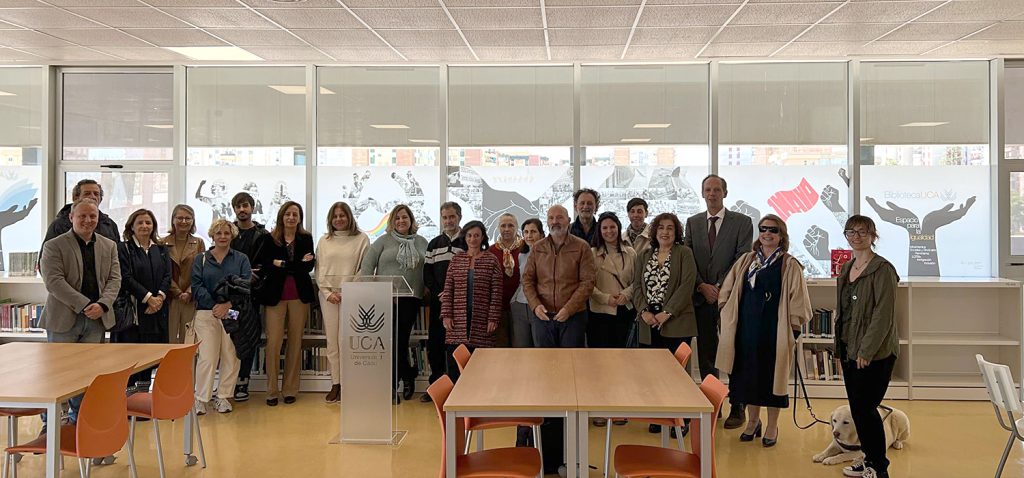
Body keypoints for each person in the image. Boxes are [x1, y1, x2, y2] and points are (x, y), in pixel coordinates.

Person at [716, 214, 811, 448]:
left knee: (771, 378)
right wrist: (724, 310)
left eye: (773, 230)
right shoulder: (748, 260)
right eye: (763, 229)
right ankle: (753, 422)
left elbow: (798, 299)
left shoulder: (789, 264)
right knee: (748, 377)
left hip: (773, 329)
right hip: (746, 329)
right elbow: (727, 288)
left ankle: (771, 425)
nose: (767, 234)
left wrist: (794, 329)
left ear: (782, 236)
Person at [39, 198, 120, 429]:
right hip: (63, 319)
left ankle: (81, 423)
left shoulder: (108, 245)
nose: (87, 220)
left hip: (96, 320)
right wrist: (85, 304)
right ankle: (52, 424)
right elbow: (53, 282)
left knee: (88, 375)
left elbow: (115, 279)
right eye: (82, 216)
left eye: (92, 216)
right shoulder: (54, 245)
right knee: (59, 375)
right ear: (71, 218)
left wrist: (103, 305)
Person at [683, 174, 754, 429]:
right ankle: (713, 405)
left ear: (725, 192)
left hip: (730, 299)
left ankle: (738, 405)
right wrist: (702, 286)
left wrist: (719, 287)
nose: (712, 194)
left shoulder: (742, 222)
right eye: (707, 190)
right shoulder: (692, 223)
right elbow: (687, 258)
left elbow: (742, 257)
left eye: (716, 190)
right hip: (701, 299)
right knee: (706, 354)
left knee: (734, 352)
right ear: (702, 194)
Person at [835, 215, 899, 478]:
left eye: (862, 231)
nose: (856, 236)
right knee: (858, 409)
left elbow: (883, 315)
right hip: (850, 349)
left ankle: (879, 467)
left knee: (866, 409)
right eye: (851, 231)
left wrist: (866, 350)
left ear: (873, 235)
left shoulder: (883, 269)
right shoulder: (846, 267)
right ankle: (868, 457)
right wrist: (842, 349)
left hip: (874, 353)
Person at [632, 212, 697, 435]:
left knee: (677, 373)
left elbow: (687, 286)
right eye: (661, 228)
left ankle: (682, 418)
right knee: (652, 374)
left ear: (676, 232)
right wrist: (643, 312)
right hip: (648, 322)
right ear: (654, 231)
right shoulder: (644, 255)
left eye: (670, 228)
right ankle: (659, 415)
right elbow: (637, 287)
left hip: (676, 321)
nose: (665, 232)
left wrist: (667, 312)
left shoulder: (684, 253)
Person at [360, 204, 428, 403]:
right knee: (388, 342)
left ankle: (397, 382)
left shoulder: (422, 242)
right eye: (397, 218)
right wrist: (372, 289)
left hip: (410, 298)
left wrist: (427, 286)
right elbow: (366, 267)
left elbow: (428, 267)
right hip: (385, 298)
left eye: (404, 217)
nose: (401, 221)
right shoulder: (382, 241)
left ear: (411, 220)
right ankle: (404, 378)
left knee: (400, 340)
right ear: (392, 221)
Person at [253, 201, 316, 406]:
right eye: (287, 214)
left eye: (295, 214)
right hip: (275, 297)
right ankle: (272, 390)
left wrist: (282, 264)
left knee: (295, 343)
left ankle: (290, 389)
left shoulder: (305, 238)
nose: (291, 217)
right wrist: (294, 264)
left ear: (299, 218)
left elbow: (308, 267)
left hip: (299, 296)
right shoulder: (269, 239)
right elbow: (266, 267)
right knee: (273, 343)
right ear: (281, 216)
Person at [191, 219, 252, 415]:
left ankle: (224, 396)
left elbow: (246, 285)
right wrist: (214, 306)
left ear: (231, 235)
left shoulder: (241, 259)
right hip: (205, 313)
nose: (223, 237)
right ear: (212, 235)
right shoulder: (200, 259)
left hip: (233, 312)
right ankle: (200, 399)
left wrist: (227, 306)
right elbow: (196, 286)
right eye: (219, 233)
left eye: (226, 233)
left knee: (231, 355)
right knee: (207, 357)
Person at [314, 201, 369, 403]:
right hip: (328, 296)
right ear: (330, 219)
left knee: (347, 342)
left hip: (351, 295)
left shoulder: (361, 239)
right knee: (332, 342)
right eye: (335, 216)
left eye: (342, 215)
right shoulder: (324, 240)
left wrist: (347, 290)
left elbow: (364, 268)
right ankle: (335, 383)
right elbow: (319, 269)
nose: (339, 219)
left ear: (349, 217)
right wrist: (328, 292)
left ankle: (348, 384)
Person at [115, 208, 172, 392]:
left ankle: (143, 401)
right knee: (130, 357)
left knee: (148, 357)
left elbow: (167, 276)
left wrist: (159, 299)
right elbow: (126, 277)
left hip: (156, 312)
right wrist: (148, 299)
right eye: (140, 222)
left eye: (148, 222)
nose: (144, 226)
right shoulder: (123, 248)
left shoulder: (161, 249)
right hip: (134, 312)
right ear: (131, 226)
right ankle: (129, 402)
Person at [440, 221, 504, 382]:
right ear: (465, 237)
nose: (473, 239)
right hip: (457, 321)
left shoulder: (491, 260)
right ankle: (455, 401)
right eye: (469, 235)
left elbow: (497, 292)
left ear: (483, 237)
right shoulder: (457, 259)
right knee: (455, 365)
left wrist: (493, 318)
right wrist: (446, 315)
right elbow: (448, 288)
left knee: (481, 367)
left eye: (476, 235)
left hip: (483, 321)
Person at [523, 204, 595, 348]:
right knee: (544, 362)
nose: (555, 221)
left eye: (559, 217)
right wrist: (535, 306)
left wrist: (569, 309)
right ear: (547, 222)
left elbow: (587, 282)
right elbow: (527, 280)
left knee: (571, 363)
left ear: (568, 220)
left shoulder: (582, 247)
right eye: (551, 218)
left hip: (573, 316)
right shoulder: (538, 247)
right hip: (542, 316)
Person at [422, 202, 464, 402]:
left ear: (459, 217)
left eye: (452, 217)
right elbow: (427, 273)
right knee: (436, 344)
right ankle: (436, 386)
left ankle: (458, 387)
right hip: (439, 302)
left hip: (461, 302)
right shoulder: (434, 243)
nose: (448, 221)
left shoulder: (467, 241)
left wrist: (453, 294)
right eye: (445, 217)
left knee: (457, 345)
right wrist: (442, 293)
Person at [230, 191, 269, 402]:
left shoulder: (262, 235)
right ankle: (230, 380)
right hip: (231, 298)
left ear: (252, 208)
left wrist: (255, 276)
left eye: (245, 205)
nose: (241, 210)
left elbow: (268, 263)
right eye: (238, 206)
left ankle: (244, 380)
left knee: (250, 336)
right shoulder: (228, 232)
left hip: (253, 298)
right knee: (232, 335)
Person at [588, 212, 636, 349]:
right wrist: (605, 298)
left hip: (625, 311)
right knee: (600, 358)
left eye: (612, 227)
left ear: (618, 228)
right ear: (599, 230)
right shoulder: (592, 253)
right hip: (599, 313)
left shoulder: (630, 253)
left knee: (623, 357)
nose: (609, 231)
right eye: (605, 228)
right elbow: (586, 284)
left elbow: (638, 281)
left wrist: (626, 294)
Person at [162, 204, 206, 344]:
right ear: (173, 220)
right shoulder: (162, 242)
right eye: (179, 218)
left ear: (193, 221)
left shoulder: (199, 242)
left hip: (190, 298)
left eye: (188, 218)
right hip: (170, 297)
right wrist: (176, 292)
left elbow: (202, 271)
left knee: (189, 340)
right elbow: (162, 272)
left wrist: (189, 291)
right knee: (170, 339)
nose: (184, 221)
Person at [43, 179, 119, 244]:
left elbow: (117, 255)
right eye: (87, 193)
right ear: (75, 197)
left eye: (96, 194)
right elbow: (47, 256)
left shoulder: (109, 225)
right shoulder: (59, 225)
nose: (93, 196)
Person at [487, 213, 522, 347]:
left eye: (510, 225)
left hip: (520, 307)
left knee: (519, 345)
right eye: (503, 226)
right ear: (498, 228)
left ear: (517, 228)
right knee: (501, 346)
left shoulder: (525, 249)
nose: (506, 229)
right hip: (498, 307)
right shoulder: (490, 251)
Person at [509, 218, 544, 348]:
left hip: (538, 305)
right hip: (519, 305)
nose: (529, 235)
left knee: (539, 347)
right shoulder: (521, 255)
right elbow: (522, 281)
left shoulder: (549, 254)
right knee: (521, 348)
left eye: (533, 231)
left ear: (541, 234)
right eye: (526, 232)